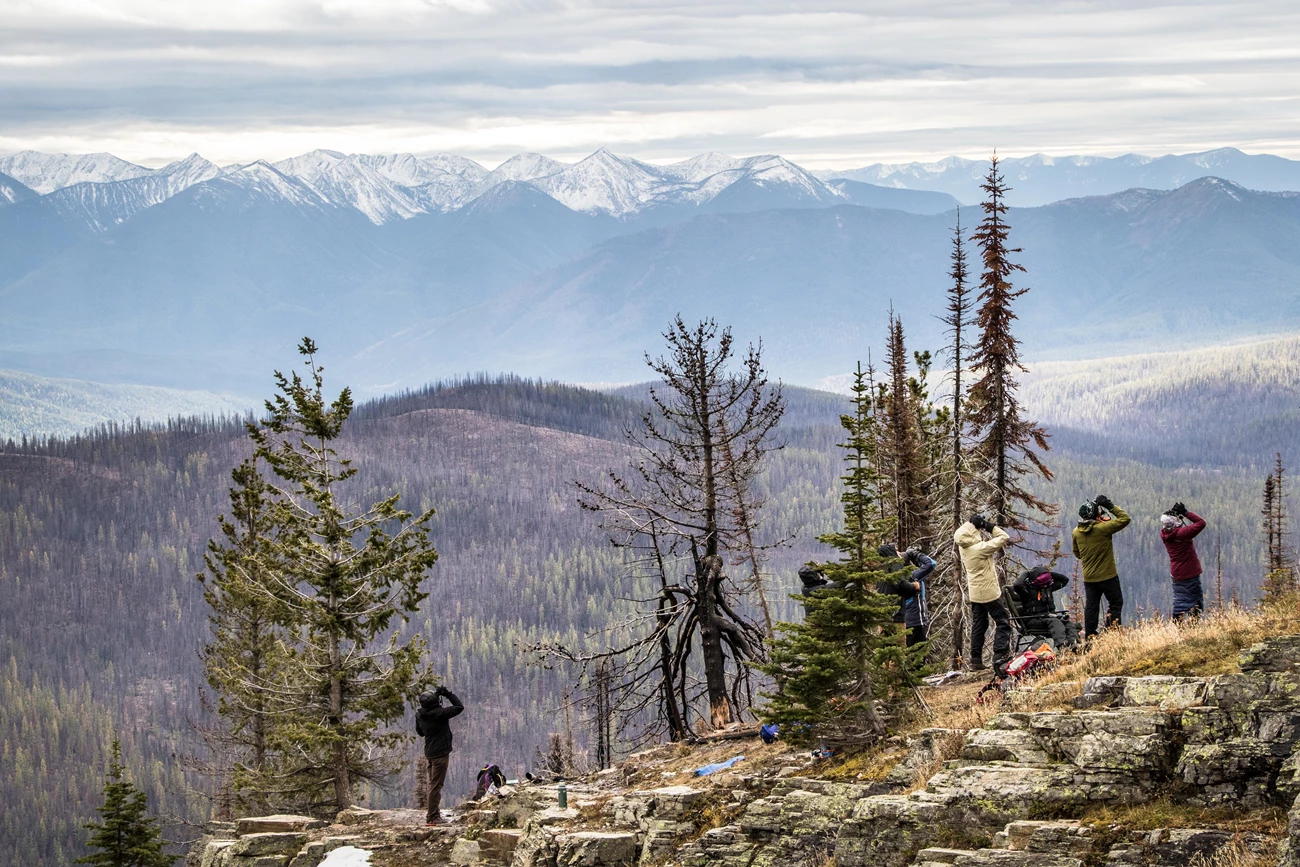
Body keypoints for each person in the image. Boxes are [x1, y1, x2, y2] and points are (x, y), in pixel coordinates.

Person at [954, 513, 1012, 674]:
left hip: (975, 593)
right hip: (989, 592)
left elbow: (965, 533)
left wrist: (973, 525)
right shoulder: (980, 549)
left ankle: (975, 660)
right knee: (1003, 621)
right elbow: (1003, 536)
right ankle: (999, 656)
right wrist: (988, 526)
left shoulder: (963, 546)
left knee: (979, 624)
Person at [1071, 494, 1131, 638]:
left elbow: (1077, 554)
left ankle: (1090, 635)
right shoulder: (1103, 529)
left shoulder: (1076, 532)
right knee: (1116, 603)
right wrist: (1109, 505)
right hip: (1108, 575)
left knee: (1092, 607)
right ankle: (1112, 631)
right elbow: (1125, 519)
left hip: (1089, 578)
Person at [416, 685, 464, 826]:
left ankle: (434, 814)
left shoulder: (420, 715)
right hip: (441, 754)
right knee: (436, 786)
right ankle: (432, 818)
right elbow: (459, 707)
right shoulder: (440, 714)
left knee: (433, 784)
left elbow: (420, 732)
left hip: (430, 753)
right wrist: (448, 694)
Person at [877, 544, 936, 646]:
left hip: (899, 618)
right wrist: (915, 554)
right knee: (915, 655)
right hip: (914, 621)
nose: (900, 553)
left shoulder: (884, 574)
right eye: (897, 552)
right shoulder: (911, 575)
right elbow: (931, 563)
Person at [1011, 566, 1078, 649]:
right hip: (1033, 619)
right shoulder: (1027, 590)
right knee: (1056, 622)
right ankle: (1062, 647)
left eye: (1047, 582)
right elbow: (1017, 585)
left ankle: (1075, 645)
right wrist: (1027, 573)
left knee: (1067, 623)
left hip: (1048, 617)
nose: (1045, 585)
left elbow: (1064, 580)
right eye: (1042, 582)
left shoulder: (1048, 587)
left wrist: (1048, 574)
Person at [1160, 501, 1207, 620]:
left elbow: (1172, 526)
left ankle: (1177, 623)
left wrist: (1174, 517)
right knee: (1195, 600)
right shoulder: (1182, 534)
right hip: (1189, 573)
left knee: (1179, 599)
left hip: (1176, 573)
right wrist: (1186, 513)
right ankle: (1194, 625)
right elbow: (1201, 523)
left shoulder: (1164, 534)